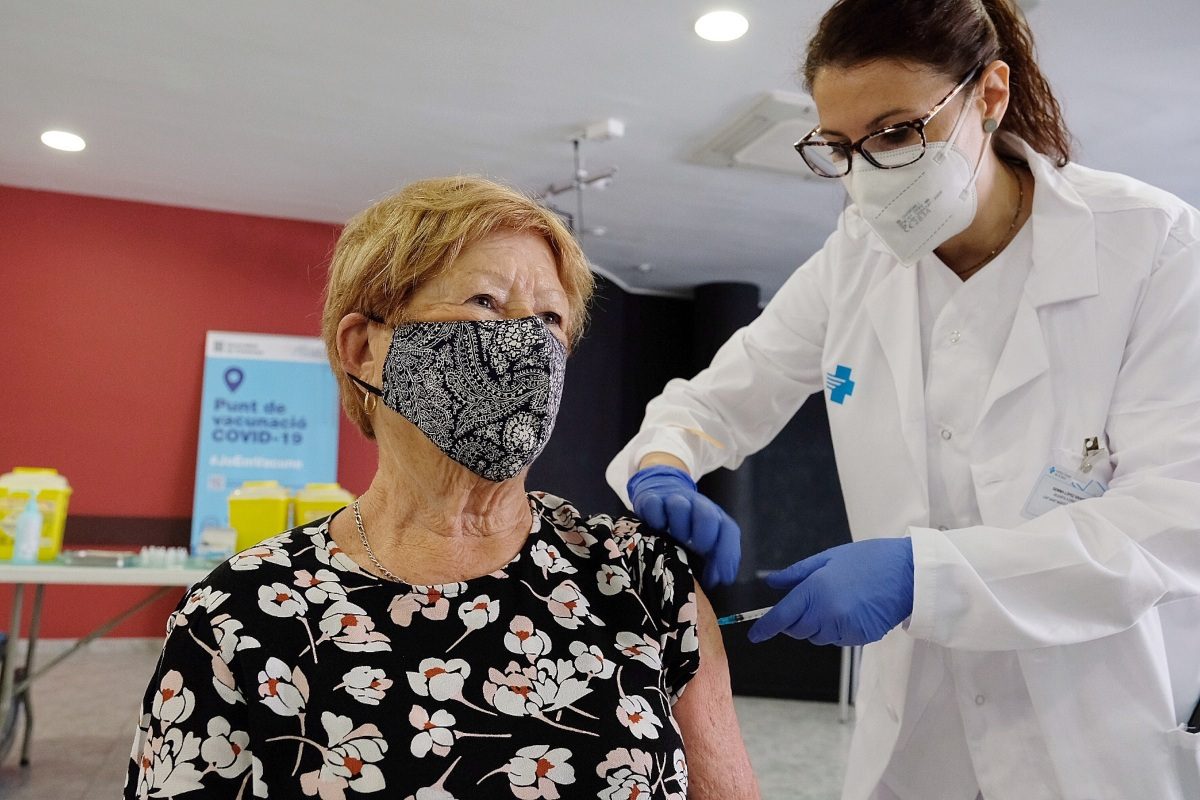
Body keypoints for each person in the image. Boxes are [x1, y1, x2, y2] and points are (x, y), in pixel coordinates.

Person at [607, 1, 1200, 798]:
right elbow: (717, 398)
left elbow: (1174, 520)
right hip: (916, 735)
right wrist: (664, 463)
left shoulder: (1153, 246)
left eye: (895, 133)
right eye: (840, 146)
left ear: (989, 95)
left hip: (1091, 730)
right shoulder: (855, 260)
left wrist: (926, 576)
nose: (867, 175)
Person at [126, 176, 759, 799]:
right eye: (485, 302)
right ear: (364, 348)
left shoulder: (639, 580)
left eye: (550, 319)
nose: (528, 344)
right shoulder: (240, 616)